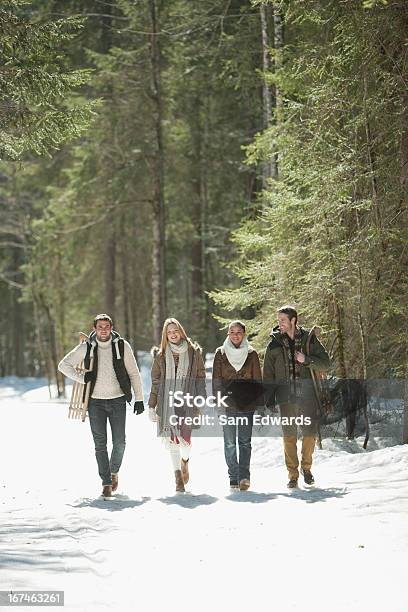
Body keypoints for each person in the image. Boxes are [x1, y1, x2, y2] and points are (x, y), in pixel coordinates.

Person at [58, 314, 144, 498]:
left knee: (120, 442)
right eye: (100, 326)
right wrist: (82, 378)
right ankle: (105, 482)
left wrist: (139, 399)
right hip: (95, 402)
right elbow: (63, 365)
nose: (103, 329)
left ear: (111, 327)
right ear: (94, 328)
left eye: (106, 326)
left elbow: (134, 374)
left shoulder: (122, 346)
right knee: (100, 444)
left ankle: (114, 472)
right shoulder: (87, 347)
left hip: (118, 399)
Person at [263, 305, 331, 488]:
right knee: (289, 436)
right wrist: (268, 398)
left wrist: (306, 360)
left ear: (293, 320)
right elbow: (268, 374)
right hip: (286, 398)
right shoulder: (274, 343)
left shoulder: (310, 340)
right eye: (278, 321)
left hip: (308, 396)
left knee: (309, 434)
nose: (280, 324)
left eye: (283, 320)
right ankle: (293, 475)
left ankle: (306, 469)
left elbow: (326, 364)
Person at [148, 318, 206, 493]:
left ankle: (185, 462)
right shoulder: (160, 355)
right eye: (169, 332)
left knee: (186, 443)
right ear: (165, 335)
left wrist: (200, 399)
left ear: (181, 331)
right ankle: (178, 478)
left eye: (175, 331)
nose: (173, 334)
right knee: (172, 442)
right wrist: (151, 406)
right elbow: (156, 382)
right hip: (167, 402)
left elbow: (200, 377)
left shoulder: (193, 352)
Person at [212, 321, 263, 491]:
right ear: (228, 334)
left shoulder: (252, 353)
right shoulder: (220, 353)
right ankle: (233, 477)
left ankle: (244, 477)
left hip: (246, 404)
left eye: (239, 332)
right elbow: (216, 382)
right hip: (227, 404)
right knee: (229, 442)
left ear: (244, 334)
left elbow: (257, 381)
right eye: (232, 332)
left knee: (244, 442)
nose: (235, 335)